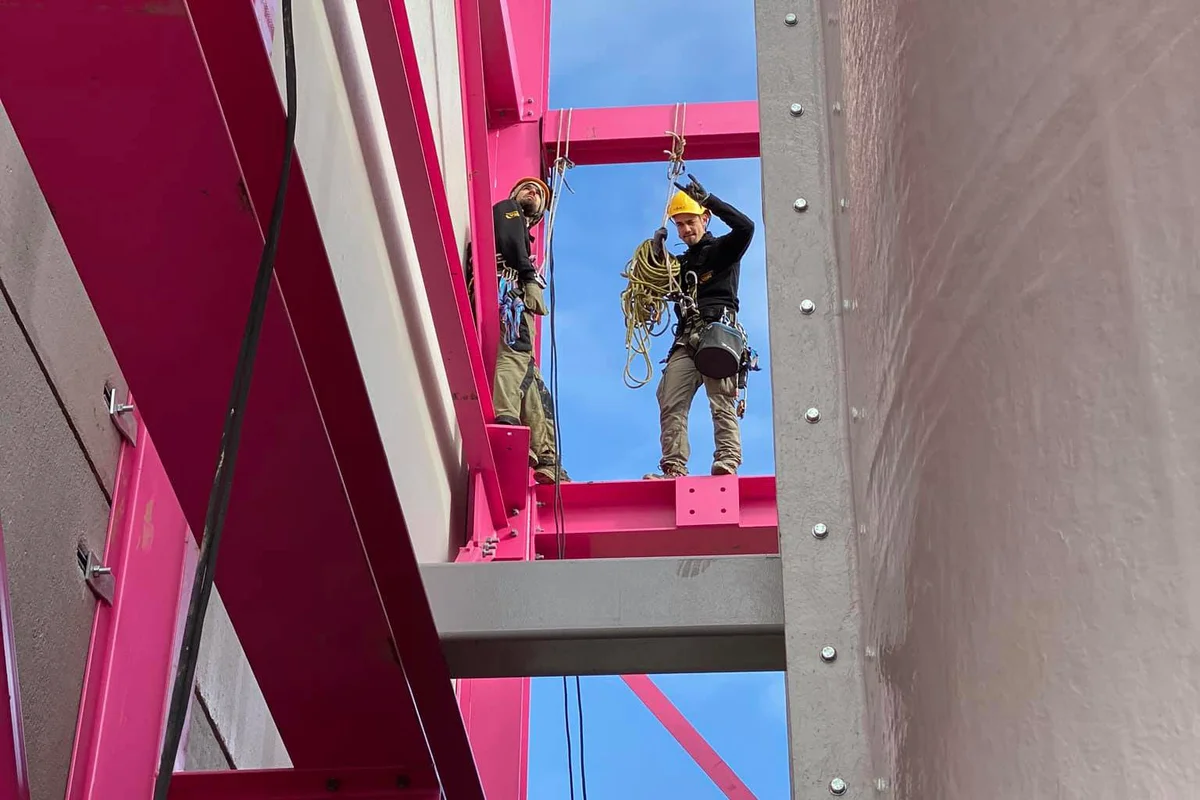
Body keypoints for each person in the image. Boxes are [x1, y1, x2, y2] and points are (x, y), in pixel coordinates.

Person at [645, 174, 755, 479]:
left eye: (690, 222)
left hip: (717, 332)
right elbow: (659, 284)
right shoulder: (681, 265)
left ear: (704, 219)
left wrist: (710, 200)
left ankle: (728, 460)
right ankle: (674, 467)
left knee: (721, 399)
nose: (685, 230)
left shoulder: (723, 251)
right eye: (679, 224)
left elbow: (746, 227)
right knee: (670, 399)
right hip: (686, 340)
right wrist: (658, 258)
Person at [467, 176, 569, 485]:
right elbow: (510, 242)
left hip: (512, 297)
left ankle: (547, 456)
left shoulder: (521, 230)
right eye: (527, 188)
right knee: (515, 356)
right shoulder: (508, 211)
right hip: (509, 295)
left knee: (533, 379)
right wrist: (527, 277)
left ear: (539, 212)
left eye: (538, 193)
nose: (532, 192)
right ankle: (508, 416)